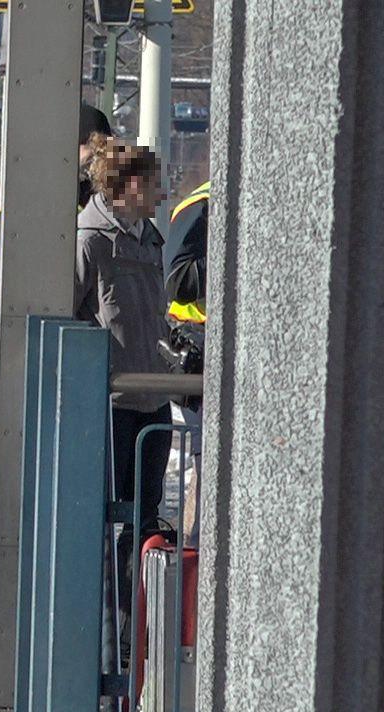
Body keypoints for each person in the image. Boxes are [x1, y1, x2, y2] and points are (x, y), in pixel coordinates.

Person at [72, 140, 171, 657]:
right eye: (153, 181)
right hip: (109, 407)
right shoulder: (90, 240)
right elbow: (71, 317)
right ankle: (99, 641)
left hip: (153, 400)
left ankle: (131, 640)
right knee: (100, 519)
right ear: (128, 185)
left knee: (144, 521)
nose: (161, 191)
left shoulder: (149, 240)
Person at [0, 104, 113, 254]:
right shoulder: (31, 210)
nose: (99, 154)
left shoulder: (106, 201)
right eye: (92, 144)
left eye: (105, 146)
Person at [164, 179, 210, 544]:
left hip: (209, 340)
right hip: (199, 344)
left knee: (207, 465)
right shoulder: (203, 203)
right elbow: (177, 280)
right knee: (206, 462)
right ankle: (196, 554)